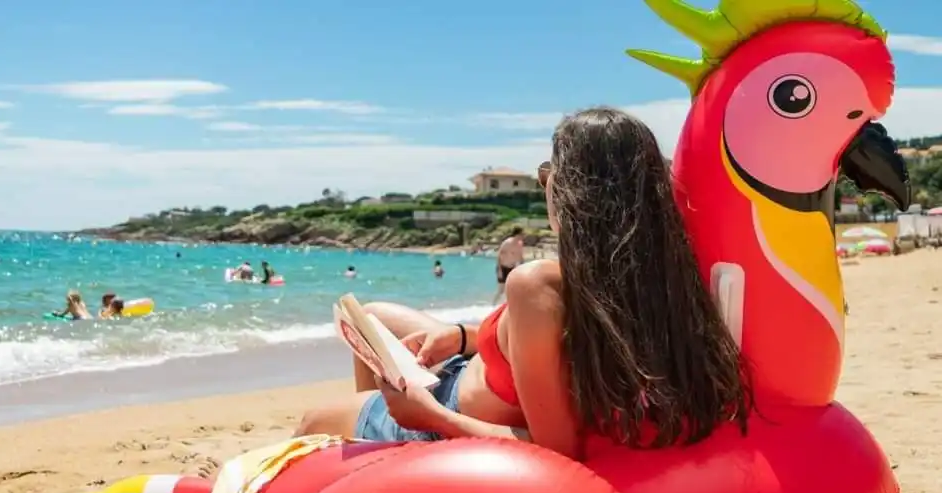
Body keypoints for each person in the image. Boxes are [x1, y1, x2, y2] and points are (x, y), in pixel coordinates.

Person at [296, 107, 752, 460]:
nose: (545, 186)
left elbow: (557, 452)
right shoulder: (655, 280)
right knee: (370, 316)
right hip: (465, 374)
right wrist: (462, 336)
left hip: (446, 412)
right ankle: (376, 438)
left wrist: (426, 414)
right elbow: (562, 345)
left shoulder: (536, 285)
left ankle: (378, 451)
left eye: (548, 176)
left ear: (572, 191)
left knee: (311, 423)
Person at [491, 226, 526, 304]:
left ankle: (507, 306)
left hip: (511, 268)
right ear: (517, 234)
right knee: (501, 290)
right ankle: (492, 305)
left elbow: (520, 257)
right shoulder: (507, 243)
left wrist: (524, 269)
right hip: (502, 268)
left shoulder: (520, 244)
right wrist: (499, 270)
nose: (524, 236)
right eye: (522, 234)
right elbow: (499, 256)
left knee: (511, 289)